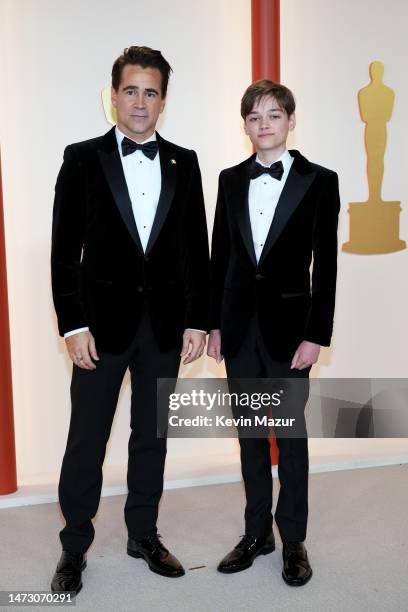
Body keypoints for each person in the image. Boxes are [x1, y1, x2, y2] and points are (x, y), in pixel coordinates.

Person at [50, 45, 210, 594]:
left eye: (151, 92)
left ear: (164, 100)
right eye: (131, 90)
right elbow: (63, 250)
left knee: (152, 439)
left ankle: (143, 533)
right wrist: (72, 325)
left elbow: (196, 249)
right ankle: (74, 546)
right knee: (86, 440)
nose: (140, 102)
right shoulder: (80, 158)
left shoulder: (184, 161)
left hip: (164, 328)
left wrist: (197, 319)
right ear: (113, 94)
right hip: (99, 328)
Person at [207, 80, 340, 586]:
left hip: (291, 331)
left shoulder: (319, 180)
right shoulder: (228, 179)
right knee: (249, 438)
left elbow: (324, 266)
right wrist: (216, 324)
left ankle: (294, 539)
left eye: (273, 115)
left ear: (290, 121)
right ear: (245, 125)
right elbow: (222, 257)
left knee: (290, 437)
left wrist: (316, 334)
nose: (264, 124)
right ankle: (256, 532)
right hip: (240, 329)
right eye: (254, 117)